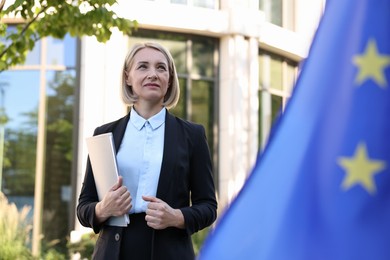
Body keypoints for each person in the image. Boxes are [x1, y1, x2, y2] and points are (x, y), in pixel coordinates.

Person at [77, 42, 218, 260]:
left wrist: (176, 216)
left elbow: (208, 207)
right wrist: (103, 209)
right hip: (113, 253)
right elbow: (84, 206)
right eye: (143, 66)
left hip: (169, 252)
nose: (153, 74)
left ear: (169, 79)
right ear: (127, 77)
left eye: (161, 68)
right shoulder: (105, 134)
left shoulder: (193, 135)